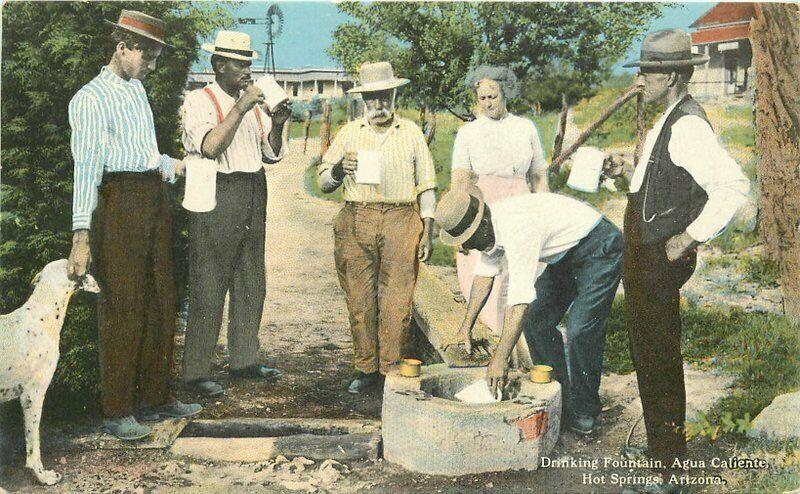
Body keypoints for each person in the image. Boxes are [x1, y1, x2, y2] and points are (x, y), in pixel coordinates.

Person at [620, 29, 749, 493]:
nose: (642, 80)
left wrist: (688, 237)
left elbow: (733, 187)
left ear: (673, 76)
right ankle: (662, 452)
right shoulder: (668, 117)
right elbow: (661, 183)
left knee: (659, 360)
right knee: (649, 355)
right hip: (643, 253)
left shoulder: (688, 126)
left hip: (657, 256)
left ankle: (670, 473)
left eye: (649, 73)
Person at [66, 10, 201, 440]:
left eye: (157, 57)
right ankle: (118, 409)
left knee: (162, 295)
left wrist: (175, 165)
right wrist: (80, 236)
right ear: (122, 47)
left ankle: (156, 397)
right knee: (123, 303)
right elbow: (88, 170)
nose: (152, 66)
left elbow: (146, 154)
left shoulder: (137, 90)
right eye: (148, 56)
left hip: (152, 199)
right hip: (117, 204)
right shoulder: (89, 98)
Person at [434, 188, 622, 436]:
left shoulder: (517, 228)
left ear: (482, 225)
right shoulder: (489, 228)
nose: (466, 247)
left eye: (468, 239)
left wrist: (500, 358)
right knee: (537, 320)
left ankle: (586, 408)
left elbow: (520, 300)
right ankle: (560, 396)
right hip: (565, 254)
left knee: (581, 329)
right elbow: (484, 276)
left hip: (599, 246)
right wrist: (464, 328)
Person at [179, 31, 290, 397]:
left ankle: (244, 360)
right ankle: (195, 372)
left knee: (250, 279)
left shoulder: (254, 105)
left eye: (248, 64)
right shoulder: (199, 100)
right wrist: (242, 106)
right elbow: (210, 146)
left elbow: (271, 155)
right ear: (217, 65)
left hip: (252, 187)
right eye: (239, 64)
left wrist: (278, 122)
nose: (246, 71)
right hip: (216, 191)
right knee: (209, 282)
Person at [318, 62, 437, 394]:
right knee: (360, 297)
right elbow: (324, 181)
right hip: (357, 217)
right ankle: (366, 367)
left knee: (397, 299)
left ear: (394, 95)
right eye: (372, 99)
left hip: (401, 218)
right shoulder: (350, 132)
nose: (379, 106)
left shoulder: (411, 133)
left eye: (384, 97)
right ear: (363, 100)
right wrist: (340, 170)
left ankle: (391, 370)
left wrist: (428, 227)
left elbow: (426, 184)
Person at [445, 65, 549, 367]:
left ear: (506, 93)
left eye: (493, 96)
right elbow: (460, 181)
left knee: (519, 281)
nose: (488, 103)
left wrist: (542, 208)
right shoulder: (468, 133)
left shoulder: (525, 128)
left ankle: (523, 357)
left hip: (521, 206)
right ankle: (495, 354)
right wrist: (460, 225)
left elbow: (539, 175)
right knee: (483, 280)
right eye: (482, 98)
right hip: (483, 213)